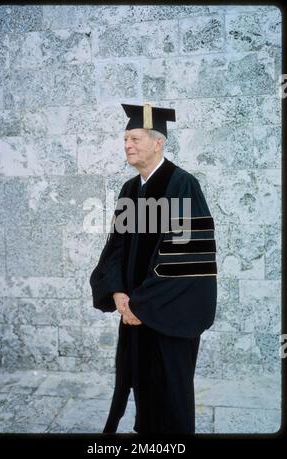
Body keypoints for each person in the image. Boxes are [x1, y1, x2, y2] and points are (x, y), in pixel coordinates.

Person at [90, 102, 217, 434]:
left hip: (168, 317)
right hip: (133, 315)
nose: (127, 145)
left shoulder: (182, 185)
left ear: (158, 142)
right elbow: (115, 247)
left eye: (135, 138)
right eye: (125, 139)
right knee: (143, 390)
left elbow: (187, 256)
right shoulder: (130, 190)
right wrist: (118, 292)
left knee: (171, 396)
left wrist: (140, 305)